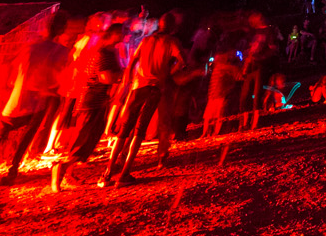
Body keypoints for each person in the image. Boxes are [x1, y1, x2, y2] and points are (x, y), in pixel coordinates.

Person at [101, 12, 185, 186]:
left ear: (159, 25)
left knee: (124, 130)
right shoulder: (171, 42)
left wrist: (128, 82)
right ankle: (124, 174)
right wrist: (168, 74)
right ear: (172, 27)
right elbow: (183, 62)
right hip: (154, 88)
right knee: (139, 131)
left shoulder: (146, 40)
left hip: (137, 87)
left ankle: (106, 174)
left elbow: (133, 61)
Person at [0, 13, 77, 185]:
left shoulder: (31, 47)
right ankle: (13, 165)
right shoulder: (62, 52)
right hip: (42, 94)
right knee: (28, 132)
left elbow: (12, 66)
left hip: (23, 91)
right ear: (62, 29)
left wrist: (8, 85)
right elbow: (62, 74)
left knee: (6, 125)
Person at [47, 23, 125, 192]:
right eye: (121, 32)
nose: (124, 35)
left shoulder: (108, 52)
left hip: (96, 101)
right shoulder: (103, 53)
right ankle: (60, 168)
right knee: (83, 140)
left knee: (88, 141)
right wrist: (122, 75)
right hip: (92, 102)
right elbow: (105, 78)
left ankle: (67, 174)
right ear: (112, 34)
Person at [198, 44, 240, 140]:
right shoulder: (220, 68)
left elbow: (234, 75)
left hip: (220, 95)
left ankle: (214, 132)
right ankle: (206, 133)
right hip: (213, 95)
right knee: (209, 116)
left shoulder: (224, 67)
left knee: (217, 116)